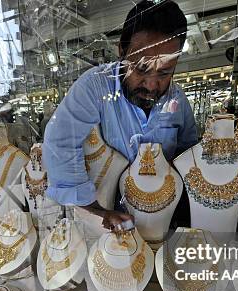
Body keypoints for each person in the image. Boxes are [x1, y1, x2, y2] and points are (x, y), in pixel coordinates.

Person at [43, 0, 197, 230]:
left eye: (165, 72)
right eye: (142, 69)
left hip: (164, 222)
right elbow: (60, 142)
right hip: (109, 227)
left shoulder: (177, 98)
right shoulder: (95, 86)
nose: (152, 85)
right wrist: (95, 209)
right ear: (121, 51)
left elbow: (189, 153)